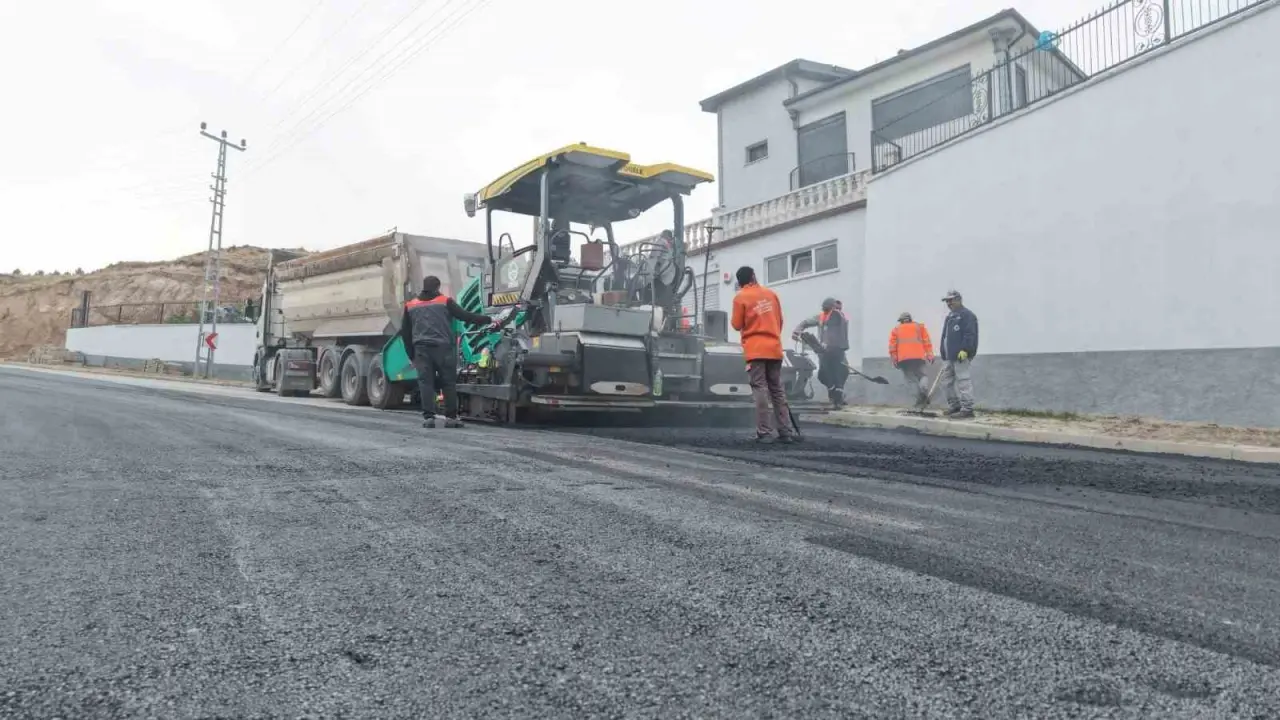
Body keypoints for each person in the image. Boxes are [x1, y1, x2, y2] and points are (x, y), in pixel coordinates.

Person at [399, 276, 496, 428]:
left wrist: (411, 355)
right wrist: (489, 320)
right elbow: (466, 317)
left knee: (426, 383)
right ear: (437, 287)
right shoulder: (445, 301)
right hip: (443, 349)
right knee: (448, 383)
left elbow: (405, 333)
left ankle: (429, 418)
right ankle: (450, 418)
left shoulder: (410, 305)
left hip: (421, 350)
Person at [731, 266, 797, 444]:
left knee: (760, 388)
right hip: (775, 348)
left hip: (755, 350)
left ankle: (764, 432)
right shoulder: (771, 294)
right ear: (753, 276)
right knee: (777, 389)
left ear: (739, 281)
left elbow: (736, 325)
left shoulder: (741, 297)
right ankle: (785, 432)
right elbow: (780, 321)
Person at [791, 297, 850, 409]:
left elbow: (840, 334)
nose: (827, 312)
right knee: (823, 375)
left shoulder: (841, 317)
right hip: (824, 352)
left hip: (837, 351)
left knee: (842, 373)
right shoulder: (821, 317)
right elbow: (805, 322)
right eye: (825, 310)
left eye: (830, 309)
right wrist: (797, 331)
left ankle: (838, 397)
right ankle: (833, 393)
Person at [937, 290, 979, 418]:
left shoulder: (967, 315)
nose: (949, 303)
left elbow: (970, 334)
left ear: (959, 299)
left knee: (963, 381)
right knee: (945, 381)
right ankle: (955, 405)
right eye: (947, 301)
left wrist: (965, 349)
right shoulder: (950, 316)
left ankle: (967, 409)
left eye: (951, 300)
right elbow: (945, 336)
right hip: (949, 356)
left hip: (961, 355)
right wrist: (943, 351)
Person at [889, 312, 935, 410]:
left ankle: (919, 400)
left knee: (911, 380)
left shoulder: (896, 330)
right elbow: (927, 341)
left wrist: (894, 358)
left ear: (901, 321)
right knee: (922, 375)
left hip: (904, 359)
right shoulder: (919, 327)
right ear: (910, 319)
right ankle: (923, 391)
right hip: (918, 357)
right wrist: (930, 354)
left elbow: (892, 346)